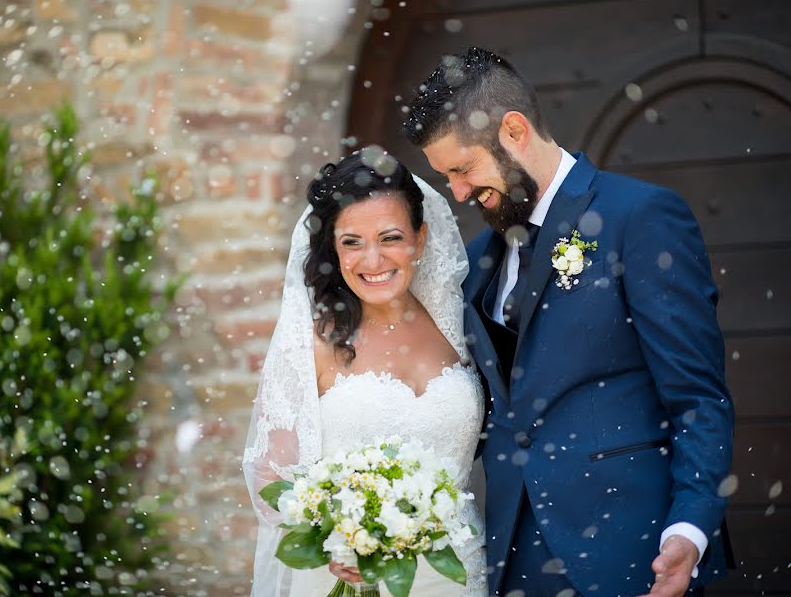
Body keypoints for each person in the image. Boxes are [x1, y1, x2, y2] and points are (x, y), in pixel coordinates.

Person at [403, 46, 734, 597]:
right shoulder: (478, 255)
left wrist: (690, 527)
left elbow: (697, 396)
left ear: (513, 131)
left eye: (462, 169)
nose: (457, 193)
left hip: (631, 547)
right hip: (512, 553)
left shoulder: (640, 216)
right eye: (446, 177)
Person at [242, 152, 488, 596]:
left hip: (460, 573)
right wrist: (333, 540)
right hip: (347, 579)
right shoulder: (313, 341)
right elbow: (271, 473)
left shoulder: (462, 328)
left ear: (421, 237)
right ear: (333, 250)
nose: (372, 260)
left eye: (390, 237)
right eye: (352, 242)